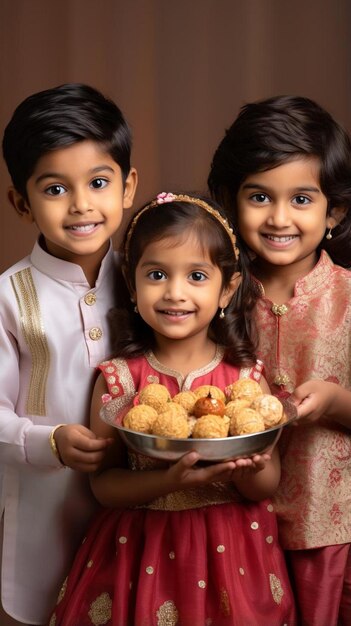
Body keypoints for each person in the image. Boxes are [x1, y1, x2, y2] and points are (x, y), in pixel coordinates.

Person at [48, 192, 296, 626]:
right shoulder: (118, 379)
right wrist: (168, 480)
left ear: (227, 289)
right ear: (132, 284)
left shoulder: (245, 379)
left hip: (234, 554)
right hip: (140, 553)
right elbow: (103, 486)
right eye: (157, 274)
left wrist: (251, 465)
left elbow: (267, 484)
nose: (174, 293)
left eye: (197, 275)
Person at [208, 95, 351, 625]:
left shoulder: (348, 299)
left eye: (301, 199)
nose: (279, 217)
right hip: (230, 528)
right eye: (260, 197)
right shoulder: (212, 297)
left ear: (333, 208)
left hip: (328, 530)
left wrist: (336, 401)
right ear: (230, 199)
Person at [0, 83, 137, 626]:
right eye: (55, 189)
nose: (82, 205)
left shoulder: (150, 280)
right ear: (20, 202)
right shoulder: (9, 297)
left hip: (141, 500)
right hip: (47, 507)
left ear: (129, 188)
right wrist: (48, 441)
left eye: (99, 183)